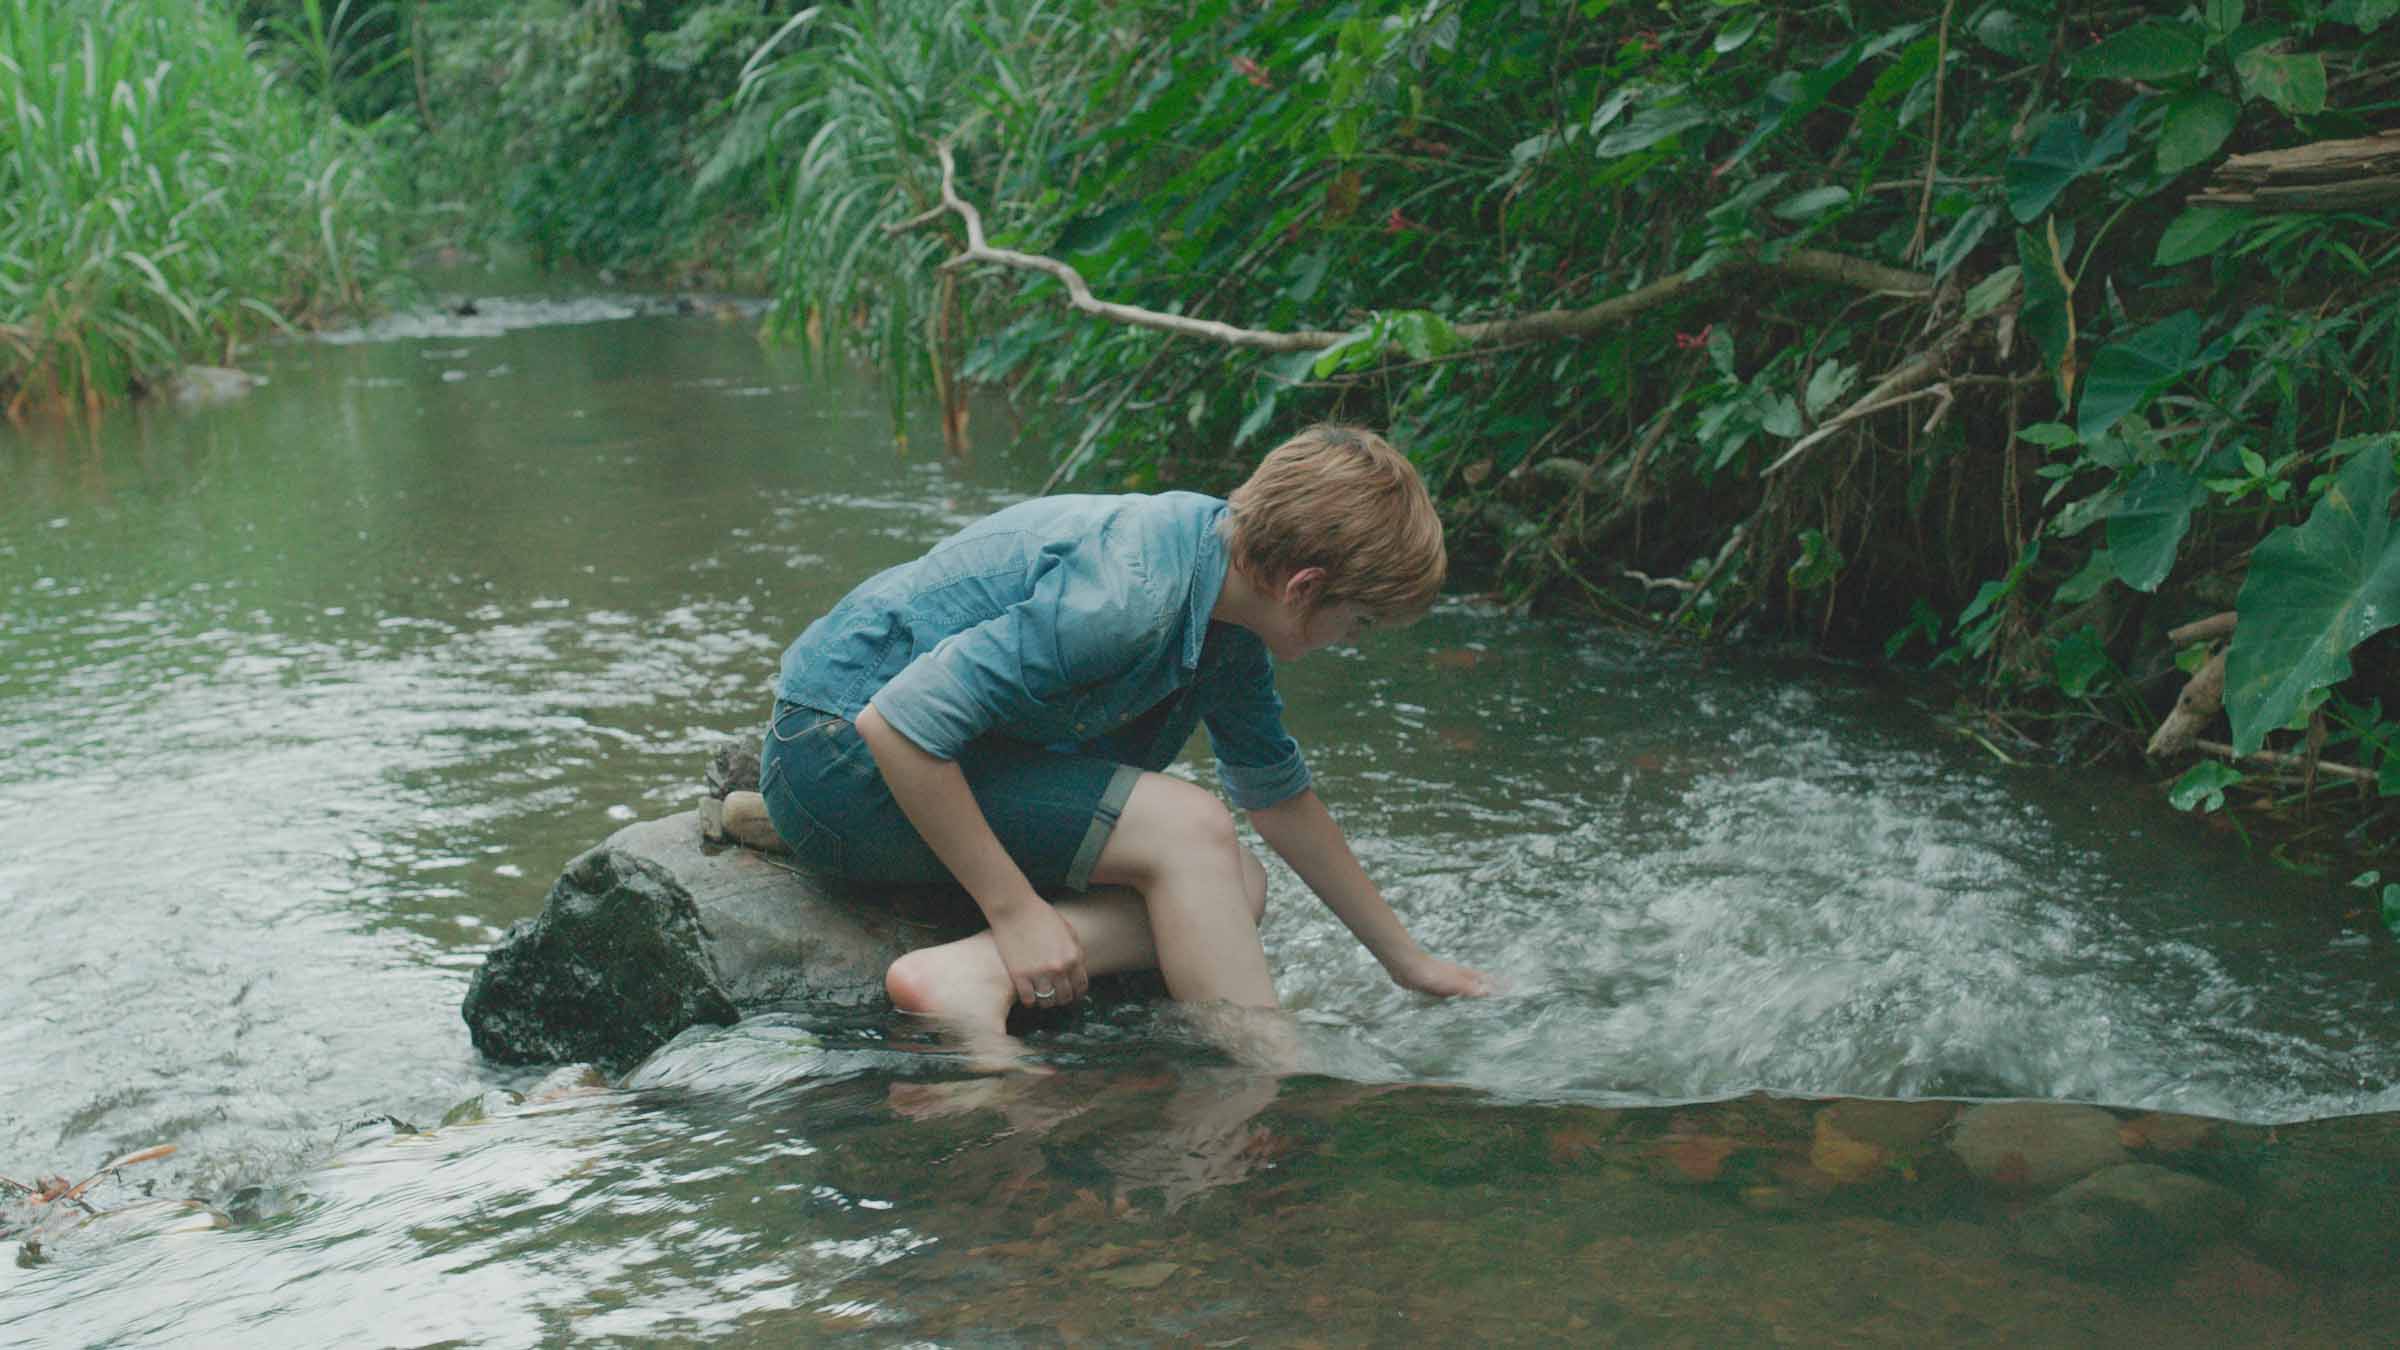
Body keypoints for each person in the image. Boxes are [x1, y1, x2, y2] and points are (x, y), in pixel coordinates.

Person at [758, 424, 1490, 1058]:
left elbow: (1280, 800)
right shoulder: (1128, 596)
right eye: (1359, 623)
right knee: (1191, 829)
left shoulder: (1228, 602)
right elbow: (896, 726)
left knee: (1237, 883)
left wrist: (1409, 962)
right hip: (837, 758)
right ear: (1302, 588)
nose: (1353, 641)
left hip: (907, 759)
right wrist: (1016, 913)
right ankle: (1261, 1080)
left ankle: (969, 974)